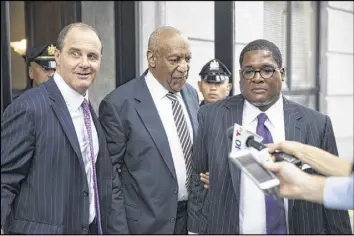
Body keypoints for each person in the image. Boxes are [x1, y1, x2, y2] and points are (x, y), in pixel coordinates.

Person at [188, 39, 352, 234]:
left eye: (266, 70)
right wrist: (196, 230)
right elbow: (197, 177)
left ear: (281, 74)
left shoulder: (316, 124)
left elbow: (335, 192)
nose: (257, 78)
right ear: (240, 77)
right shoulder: (211, 116)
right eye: (249, 71)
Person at [1, 22, 127, 234]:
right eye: (75, 54)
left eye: (92, 56)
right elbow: (5, 178)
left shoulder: (89, 112)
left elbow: (102, 181)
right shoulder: (29, 108)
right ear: (58, 56)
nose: (85, 63)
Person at [98, 26, 199, 234]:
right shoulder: (119, 104)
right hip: (145, 226)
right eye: (175, 59)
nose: (184, 67)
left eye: (187, 59)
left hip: (190, 222)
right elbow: (109, 178)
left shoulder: (191, 95)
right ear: (152, 59)